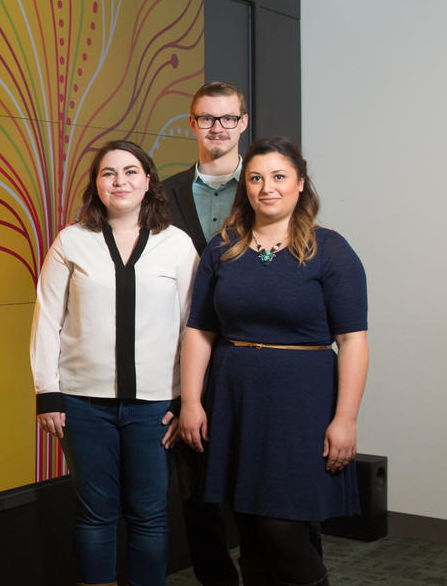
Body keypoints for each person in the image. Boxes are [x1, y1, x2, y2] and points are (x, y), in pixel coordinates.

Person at [177, 137, 369, 586]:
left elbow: (353, 342)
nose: (267, 187)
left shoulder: (332, 250)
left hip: (301, 405)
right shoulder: (222, 247)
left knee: (282, 531)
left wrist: (346, 418)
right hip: (234, 400)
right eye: (256, 178)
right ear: (245, 186)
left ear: (300, 184)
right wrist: (191, 401)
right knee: (249, 532)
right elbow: (200, 331)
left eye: (279, 177)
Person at [32, 140, 198, 586]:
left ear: (148, 181)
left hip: (155, 408)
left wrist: (187, 400)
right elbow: (47, 320)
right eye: (108, 173)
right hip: (83, 404)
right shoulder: (71, 241)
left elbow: (192, 330)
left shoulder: (177, 245)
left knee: (149, 515)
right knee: (94, 514)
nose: (119, 181)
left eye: (130, 172)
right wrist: (46, 392)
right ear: (96, 184)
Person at [159, 81, 249, 586]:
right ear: (192, 124)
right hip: (183, 358)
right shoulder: (163, 193)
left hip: (248, 354)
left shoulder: (266, 185)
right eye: (207, 118)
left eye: (228, 118)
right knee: (197, 495)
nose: (218, 128)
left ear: (243, 122)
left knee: (265, 487)